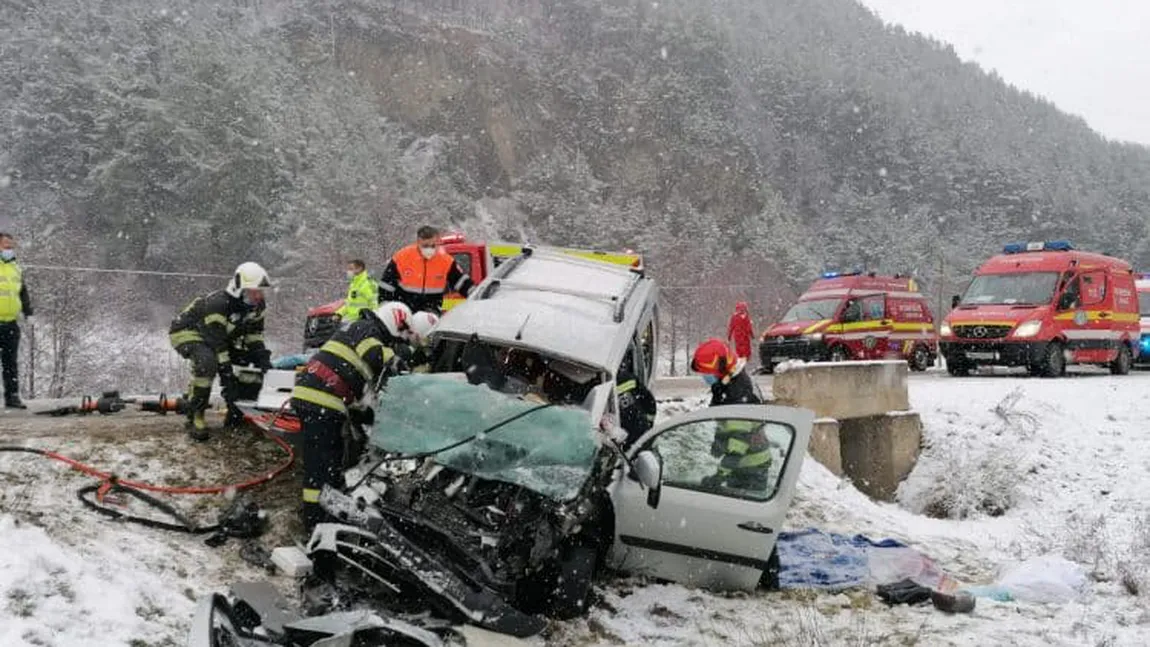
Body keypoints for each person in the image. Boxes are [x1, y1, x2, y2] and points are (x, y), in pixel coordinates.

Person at [292, 303, 421, 529]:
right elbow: (377, 356)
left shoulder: (358, 327)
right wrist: (408, 355)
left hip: (317, 398)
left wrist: (364, 415)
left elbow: (361, 385)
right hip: (321, 400)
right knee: (323, 465)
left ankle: (316, 516)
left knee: (322, 463)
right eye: (399, 335)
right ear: (395, 321)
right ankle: (317, 522)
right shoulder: (367, 329)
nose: (397, 341)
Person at [169, 262, 273, 441]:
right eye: (254, 291)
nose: (259, 295)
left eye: (261, 291)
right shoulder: (219, 304)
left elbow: (253, 334)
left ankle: (237, 415)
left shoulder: (258, 306)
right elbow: (218, 345)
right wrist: (227, 378)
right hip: (187, 332)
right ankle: (196, 415)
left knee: (248, 364)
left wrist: (261, 356)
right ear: (239, 289)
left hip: (218, 338)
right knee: (207, 362)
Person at [691, 338, 771, 491]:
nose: (705, 377)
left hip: (750, 466)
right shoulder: (728, 385)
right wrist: (720, 441)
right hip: (745, 462)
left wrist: (719, 476)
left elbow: (738, 443)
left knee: (744, 510)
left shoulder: (737, 394)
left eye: (707, 373)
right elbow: (728, 424)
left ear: (722, 369)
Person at [378, 226, 473, 314]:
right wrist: (385, 306)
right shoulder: (402, 257)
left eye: (433, 245)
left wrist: (474, 292)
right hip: (404, 311)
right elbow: (386, 284)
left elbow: (460, 281)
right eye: (425, 245)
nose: (430, 249)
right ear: (418, 242)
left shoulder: (445, 261)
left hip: (431, 312)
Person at [0, 233, 32, 409]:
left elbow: (22, 292)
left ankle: (12, 397)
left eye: (11, 246)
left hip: (11, 323)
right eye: (6, 246)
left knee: (10, 362)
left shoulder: (15, 268)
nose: (9, 249)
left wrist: (29, 312)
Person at [616, 362, 656, 446]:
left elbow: (648, 400)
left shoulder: (600, 383)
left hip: (625, 436)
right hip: (638, 432)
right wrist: (648, 423)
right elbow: (649, 401)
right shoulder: (630, 378)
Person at [335, 259, 378, 324]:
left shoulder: (368, 284)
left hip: (361, 322)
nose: (348, 271)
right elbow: (349, 304)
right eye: (348, 269)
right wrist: (339, 314)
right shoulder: (354, 284)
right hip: (350, 320)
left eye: (351, 269)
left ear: (359, 269)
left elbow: (374, 304)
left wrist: (371, 320)